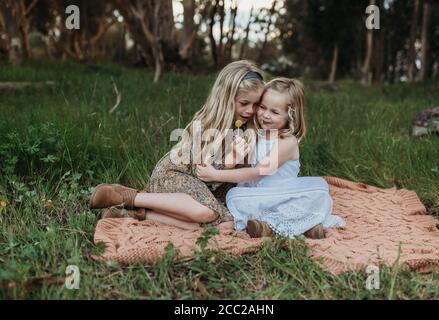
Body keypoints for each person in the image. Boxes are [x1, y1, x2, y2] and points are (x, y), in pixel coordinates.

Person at [89, 60, 265, 231]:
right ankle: (129, 197)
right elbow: (204, 176)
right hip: (175, 177)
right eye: (244, 103)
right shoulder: (208, 125)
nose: (250, 110)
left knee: (227, 225)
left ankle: (135, 214)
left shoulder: (246, 129)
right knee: (208, 213)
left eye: (256, 104)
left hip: (199, 192)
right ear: (226, 98)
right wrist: (229, 164)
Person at [196, 78, 345, 238]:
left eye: (274, 112)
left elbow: (259, 171)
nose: (265, 115)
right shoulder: (253, 134)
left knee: (319, 189)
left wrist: (215, 175)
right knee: (235, 196)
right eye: (262, 107)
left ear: (290, 116)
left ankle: (274, 225)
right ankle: (295, 226)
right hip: (257, 198)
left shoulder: (287, 142)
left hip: (283, 196)